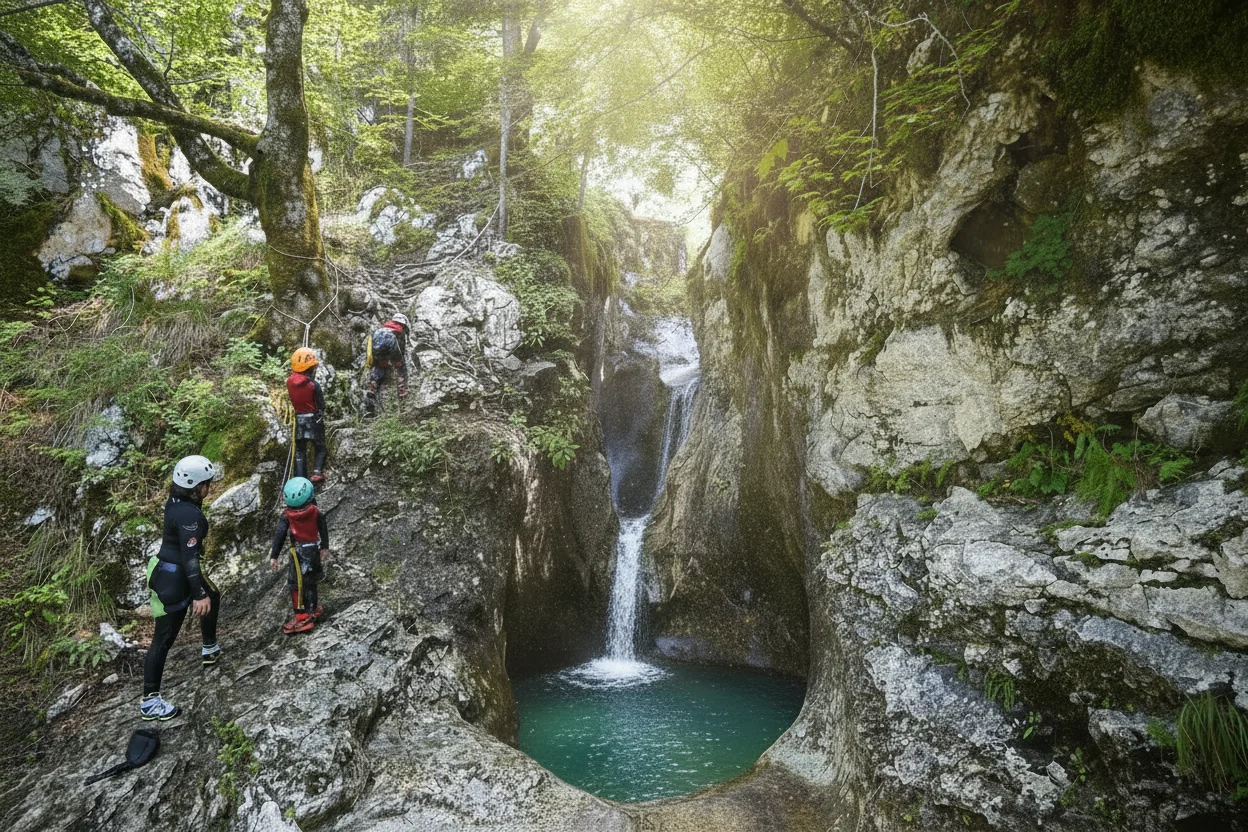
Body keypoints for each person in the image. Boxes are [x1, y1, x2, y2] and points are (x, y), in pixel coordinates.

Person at [141, 455, 223, 721]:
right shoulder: (191, 516)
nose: (209, 489)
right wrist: (197, 594)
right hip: (174, 578)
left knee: (214, 595)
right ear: (197, 486)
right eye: (207, 484)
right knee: (164, 639)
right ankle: (150, 702)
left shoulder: (176, 501)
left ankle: (209, 648)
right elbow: (189, 558)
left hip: (166, 568)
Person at [269, 477, 330, 634]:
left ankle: (302, 616)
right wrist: (324, 547)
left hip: (298, 554)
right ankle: (313, 608)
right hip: (313, 550)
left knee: (296, 585)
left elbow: (280, 536)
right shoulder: (316, 511)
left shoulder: (287, 516)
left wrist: (274, 556)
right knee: (311, 582)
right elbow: (323, 529)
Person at [287, 347, 328, 484]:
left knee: (300, 450)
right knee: (320, 447)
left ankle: (299, 478)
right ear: (310, 368)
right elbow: (321, 404)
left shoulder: (289, 383)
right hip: (313, 420)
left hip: (299, 420)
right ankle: (317, 471)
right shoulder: (313, 385)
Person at [364, 312, 410, 416]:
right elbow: (400, 350)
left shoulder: (381, 329)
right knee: (400, 368)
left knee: (379, 367)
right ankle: (402, 390)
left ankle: (373, 386)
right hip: (390, 344)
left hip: (377, 349)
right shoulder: (399, 330)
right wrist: (398, 361)